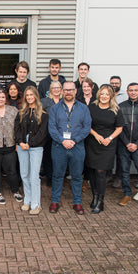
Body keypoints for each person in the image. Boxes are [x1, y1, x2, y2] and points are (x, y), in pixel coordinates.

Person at [48, 81, 91, 214]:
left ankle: (77, 202)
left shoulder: (83, 108)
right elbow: (52, 128)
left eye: (71, 90)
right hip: (59, 147)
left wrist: (74, 140)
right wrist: (62, 141)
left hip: (77, 147)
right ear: (62, 91)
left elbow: (86, 128)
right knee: (57, 175)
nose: (68, 92)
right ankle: (55, 201)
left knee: (77, 176)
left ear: (75, 91)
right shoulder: (55, 108)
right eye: (66, 90)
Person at [85, 85, 123, 213]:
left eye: (107, 94)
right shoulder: (92, 107)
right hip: (93, 143)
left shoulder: (116, 109)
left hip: (107, 145)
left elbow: (119, 128)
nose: (104, 96)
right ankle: (94, 197)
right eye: (102, 94)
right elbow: (86, 125)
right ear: (98, 95)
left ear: (111, 96)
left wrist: (109, 138)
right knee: (92, 172)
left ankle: (101, 201)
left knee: (101, 172)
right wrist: (96, 135)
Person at [117, 83, 138, 211]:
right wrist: (127, 143)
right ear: (127, 91)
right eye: (131, 90)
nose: (133, 92)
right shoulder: (121, 107)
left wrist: (137, 143)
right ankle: (127, 194)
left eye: (135, 90)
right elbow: (119, 127)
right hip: (124, 144)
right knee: (125, 172)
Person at [15, 86, 48, 214]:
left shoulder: (43, 113)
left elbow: (42, 132)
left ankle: (36, 204)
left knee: (34, 176)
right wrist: (20, 142)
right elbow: (16, 129)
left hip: (36, 147)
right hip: (22, 146)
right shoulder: (22, 112)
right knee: (24, 174)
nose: (29, 97)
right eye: (27, 95)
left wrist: (30, 143)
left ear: (36, 96)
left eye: (31, 95)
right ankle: (27, 201)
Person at [0, 89, 20, 205]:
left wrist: (18, 142)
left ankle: (15, 191)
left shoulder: (13, 110)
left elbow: (18, 128)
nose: (1, 99)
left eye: (3, 97)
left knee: (12, 170)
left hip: (10, 145)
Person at [40, 80, 63, 187]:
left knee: (59, 157)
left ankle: (58, 177)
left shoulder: (65, 101)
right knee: (48, 156)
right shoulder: (44, 101)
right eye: (54, 88)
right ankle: (49, 176)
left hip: (62, 133)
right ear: (50, 90)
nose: (56, 90)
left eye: (58, 87)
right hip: (48, 133)